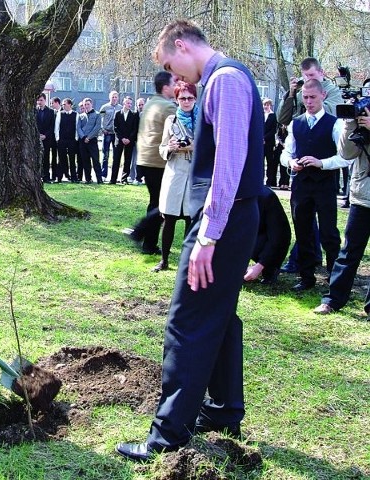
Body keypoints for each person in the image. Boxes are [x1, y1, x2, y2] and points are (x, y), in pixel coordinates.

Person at [116, 19, 264, 461]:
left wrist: (208, 237)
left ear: (182, 45)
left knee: (187, 322)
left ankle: (167, 434)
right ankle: (222, 409)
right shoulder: (223, 81)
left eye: (170, 65)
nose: (174, 78)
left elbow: (230, 164)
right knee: (219, 315)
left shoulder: (226, 81)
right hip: (228, 218)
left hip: (223, 219)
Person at [280, 79, 352, 291]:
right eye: (305, 98)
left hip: (325, 184)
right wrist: (291, 162)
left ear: (323, 96)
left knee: (329, 232)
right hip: (301, 185)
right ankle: (306, 277)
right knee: (303, 231)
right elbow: (286, 152)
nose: (309, 102)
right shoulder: (296, 123)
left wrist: (322, 163)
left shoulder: (335, 123)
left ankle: (334, 277)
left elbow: (346, 157)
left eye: (312, 97)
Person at [313, 106, 370, 318]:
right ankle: (332, 300)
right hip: (362, 196)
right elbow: (347, 153)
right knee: (349, 251)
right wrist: (349, 123)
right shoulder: (360, 119)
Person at [125, 71, 177, 255]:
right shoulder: (168, 107)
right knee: (163, 204)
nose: (177, 86)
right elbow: (176, 132)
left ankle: (148, 244)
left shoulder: (150, 104)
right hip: (158, 162)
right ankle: (139, 231)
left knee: (155, 202)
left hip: (145, 160)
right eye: (174, 83)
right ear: (165, 87)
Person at [152, 82, 198, 272]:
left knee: (190, 220)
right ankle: (164, 260)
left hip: (194, 176)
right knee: (169, 219)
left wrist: (190, 146)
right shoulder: (171, 120)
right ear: (176, 99)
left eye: (190, 98)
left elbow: (208, 146)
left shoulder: (203, 119)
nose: (186, 102)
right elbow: (162, 148)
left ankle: (186, 263)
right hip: (174, 174)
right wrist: (170, 148)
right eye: (182, 98)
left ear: (195, 99)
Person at [243, 187, 291, 284]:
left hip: (263, 239)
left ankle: (270, 269)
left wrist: (260, 265)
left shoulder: (266, 197)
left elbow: (279, 237)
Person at [277, 57, 343, 126]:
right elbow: (282, 119)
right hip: (299, 133)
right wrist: (290, 95)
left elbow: (330, 114)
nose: (308, 79)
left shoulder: (333, 91)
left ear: (321, 72)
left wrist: (305, 97)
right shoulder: (299, 90)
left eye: (311, 75)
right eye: (305, 75)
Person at [110, 96, 139, 184]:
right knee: (116, 160)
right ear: (124, 103)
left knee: (127, 160)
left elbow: (135, 129)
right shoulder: (118, 114)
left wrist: (129, 139)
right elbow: (115, 128)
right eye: (128, 103)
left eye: (130, 103)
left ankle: (124, 179)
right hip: (119, 141)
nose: (129, 105)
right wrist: (122, 138)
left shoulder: (134, 114)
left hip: (129, 141)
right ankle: (113, 179)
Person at [77, 97, 103, 184]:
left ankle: (99, 179)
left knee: (95, 160)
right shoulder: (80, 116)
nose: (86, 106)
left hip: (92, 141)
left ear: (91, 104)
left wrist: (89, 137)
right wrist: (84, 137)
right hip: (83, 141)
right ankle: (88, 179)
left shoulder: (97, 114)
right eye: (85, 104)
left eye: (88, 104)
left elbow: (97, 127)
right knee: (85, 161)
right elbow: (78, 128)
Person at [54, 98, 79, 182]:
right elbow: (57, 126)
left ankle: (74, 177)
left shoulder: (76, 114)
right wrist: (58, 138)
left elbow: (76, 127)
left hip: (72, 140)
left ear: (70, 105)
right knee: (61, 159)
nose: (63, 106)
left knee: (72, 159)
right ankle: (59, 177)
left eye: (65, 104)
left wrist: (76, 138)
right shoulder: (60, 114)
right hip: (62, 140)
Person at [99, 90, 121, 178]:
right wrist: (102, 129)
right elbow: (100, 118)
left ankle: (114, 176)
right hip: (107, 133)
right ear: (109, 98)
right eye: (113, 97)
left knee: (116, 155)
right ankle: (104, 175)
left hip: (116, 135)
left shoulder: (120, 108)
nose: (114, 99)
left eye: (116, 97)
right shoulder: (104, 107)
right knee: (106, 154)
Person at [36, 93, 55, 183]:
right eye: (38, 100)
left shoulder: (51, 112)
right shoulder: (34, 111)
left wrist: (45, 135)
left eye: (41, 100)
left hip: (47, 138)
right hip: (36, 138)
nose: (39, 102)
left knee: (46, 157)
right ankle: (37, 176)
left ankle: (46, 176)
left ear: (45, 100)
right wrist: (38, 135)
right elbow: (33, 125)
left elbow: (52, 126)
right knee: (37, 158)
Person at [130, 97, 146, 184]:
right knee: (134, 159)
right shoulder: (134, 115)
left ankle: (141, 177)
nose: (140, 106)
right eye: (139, 105)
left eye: (142, 104)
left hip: (145, 141)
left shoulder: (148, 115)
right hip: (136, 140)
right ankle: (133, 176)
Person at [263, 98, 278, 187]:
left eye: (267, 105)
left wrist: (264, 138)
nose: (266, 106)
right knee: (260, 163)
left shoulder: (273, 116)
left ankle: (269, 182)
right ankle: (259, 181)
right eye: (265, 104)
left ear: (270, 106)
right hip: (260, 143)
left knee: (270, 163)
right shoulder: (260, 115)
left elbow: (273, 130)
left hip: (269, 142)